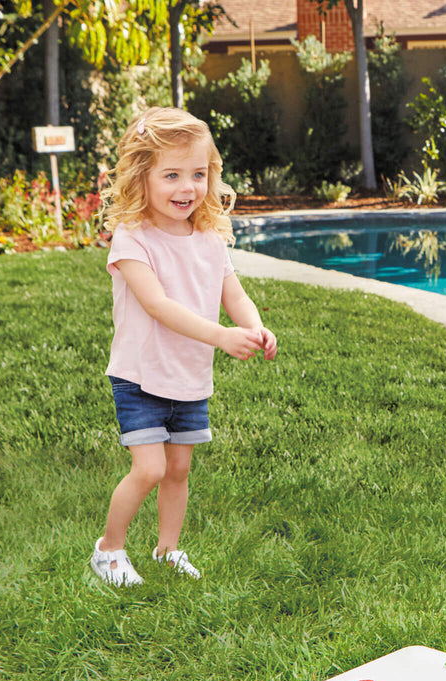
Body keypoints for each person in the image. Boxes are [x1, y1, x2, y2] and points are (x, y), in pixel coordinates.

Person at [91, 106, 277, 586]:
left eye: (198, 174)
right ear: (142, 177)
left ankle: (168, 550)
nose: (187, 187)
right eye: (171, 175)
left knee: (178, 469)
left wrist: (255, 326)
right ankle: (109, 551)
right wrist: (222, 336)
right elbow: (157, 305)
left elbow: (233, 294)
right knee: (149, 468)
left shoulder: (209, 237)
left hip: (188, 375)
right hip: (141, 374)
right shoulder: (133, 239)